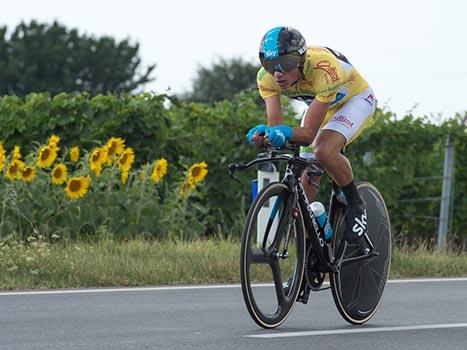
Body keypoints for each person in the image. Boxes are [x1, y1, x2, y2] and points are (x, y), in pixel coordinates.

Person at [247, 26, 376, 245]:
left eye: (285, 65)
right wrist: (265, 134)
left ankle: (355, 204)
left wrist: (285, 132)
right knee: (305, 180)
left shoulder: (323, 68)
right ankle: (307, 264)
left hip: (353, 101)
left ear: (301, 59)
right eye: (270, 65)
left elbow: (308, 135)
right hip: (321, 104)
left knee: (323, 149)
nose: (277, 73)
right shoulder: (266, 78)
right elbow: (276, 125)